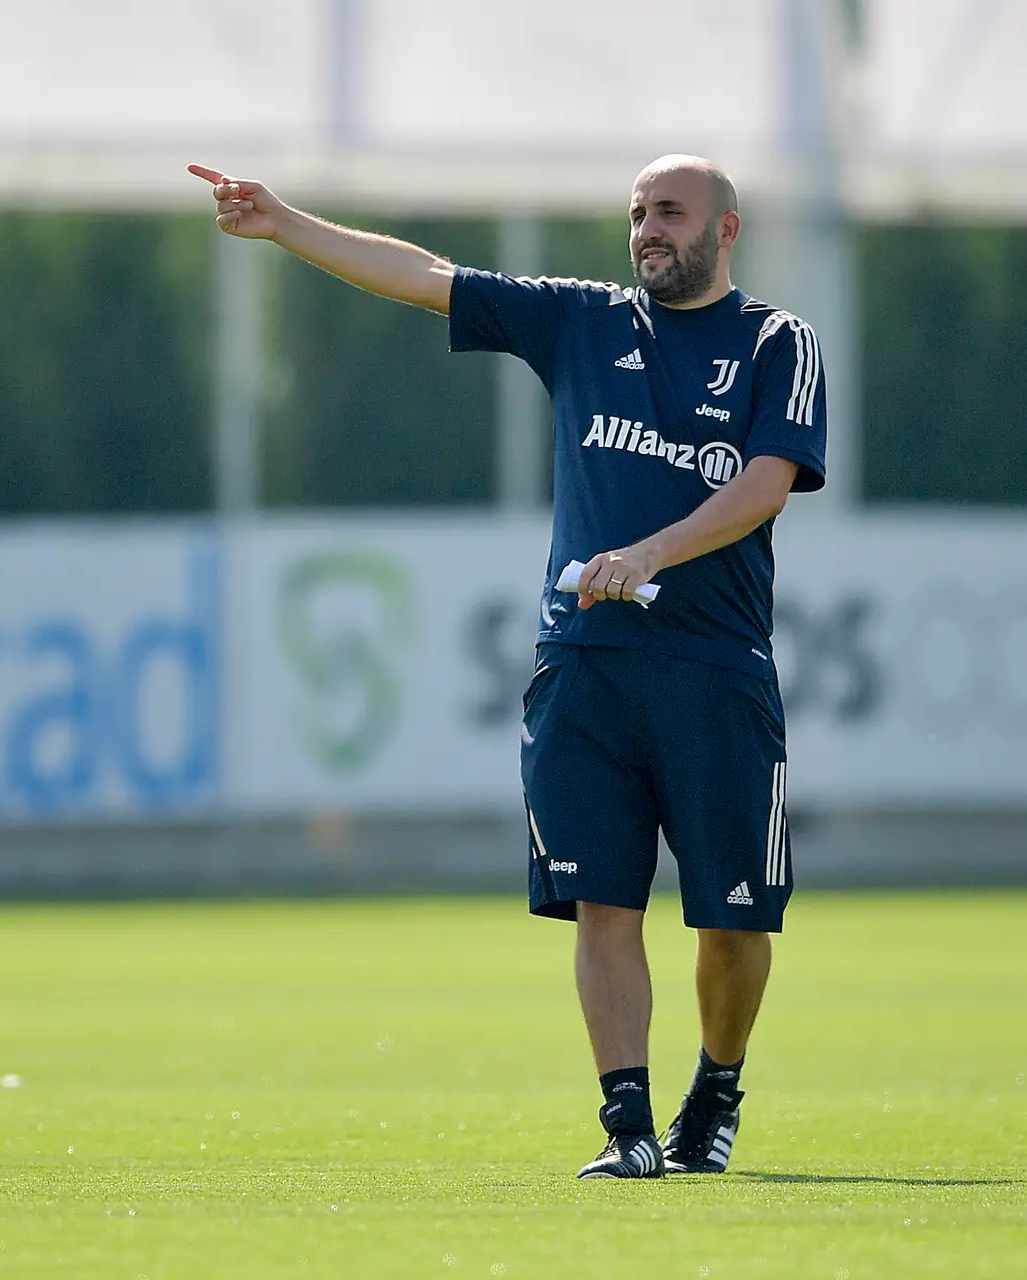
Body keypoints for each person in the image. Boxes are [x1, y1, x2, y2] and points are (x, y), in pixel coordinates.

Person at [189, 156, 825, 1179]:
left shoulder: (775, 342)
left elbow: (768, 480)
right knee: (603, 902)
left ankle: (716, 1084)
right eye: (636, 214)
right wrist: (285, 224)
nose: (648, 230)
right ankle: (628, 1127)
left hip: (717, 669)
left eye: (670, 212)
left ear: (726, 229)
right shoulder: (582, 321)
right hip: (584, 667)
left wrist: (651, 552)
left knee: (733, 918)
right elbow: (424, 274)